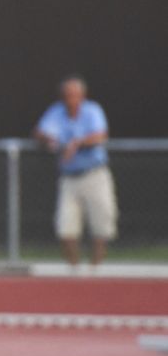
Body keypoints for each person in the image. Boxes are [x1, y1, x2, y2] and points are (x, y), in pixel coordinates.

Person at [34, 75, 117, 270]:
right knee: (66, 226)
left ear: (82, 95)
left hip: (94, 174)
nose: (70, 98)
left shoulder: (92, 111)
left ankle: (96, 269)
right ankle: (74, 270)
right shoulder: (56, 112)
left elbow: (100, 135)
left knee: (101, 223)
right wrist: (49, 140)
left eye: (74, 94)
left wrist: (76, 143)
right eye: (66, 94)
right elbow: (40, 132)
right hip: (69, 177)